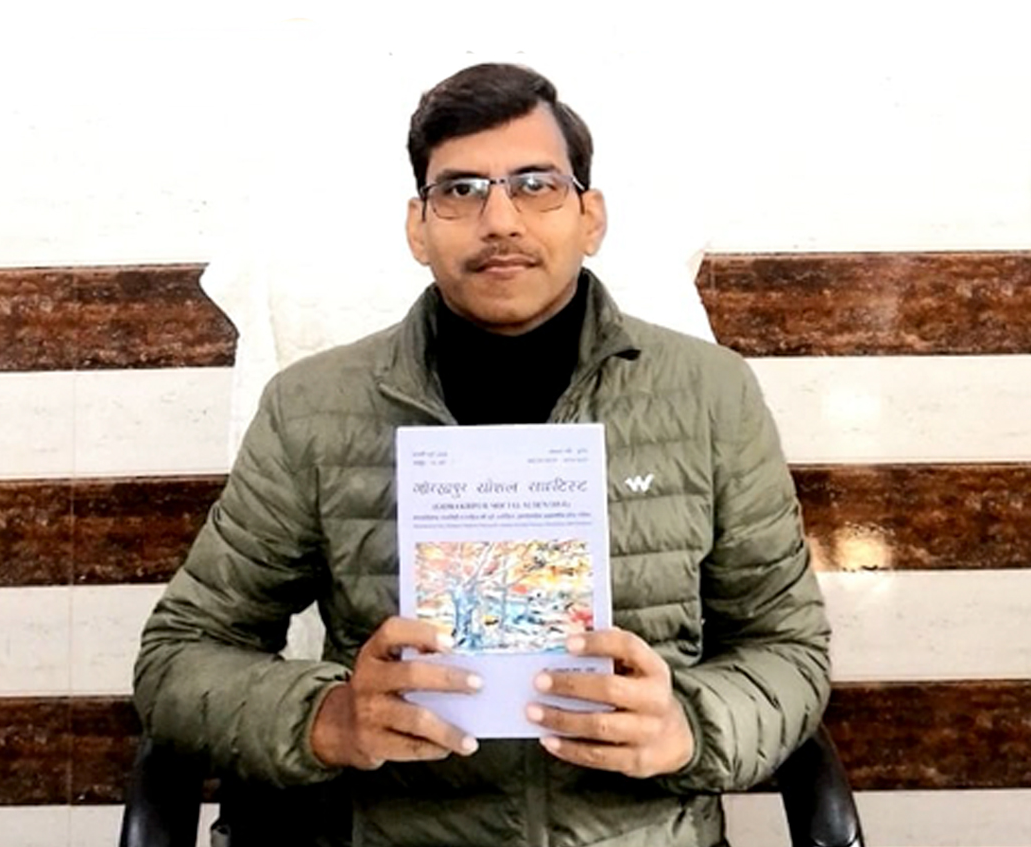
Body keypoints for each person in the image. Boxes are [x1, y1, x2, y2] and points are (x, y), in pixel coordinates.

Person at [134, 63, 830, 847]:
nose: (500, 219)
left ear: (590, 218)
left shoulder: (710, 396)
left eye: (536, 185)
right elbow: (178, 657)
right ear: (418, 228)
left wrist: (690, 728)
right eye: (460, 190)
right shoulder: (314, 410)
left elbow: (788, 649)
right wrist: (328, 717)